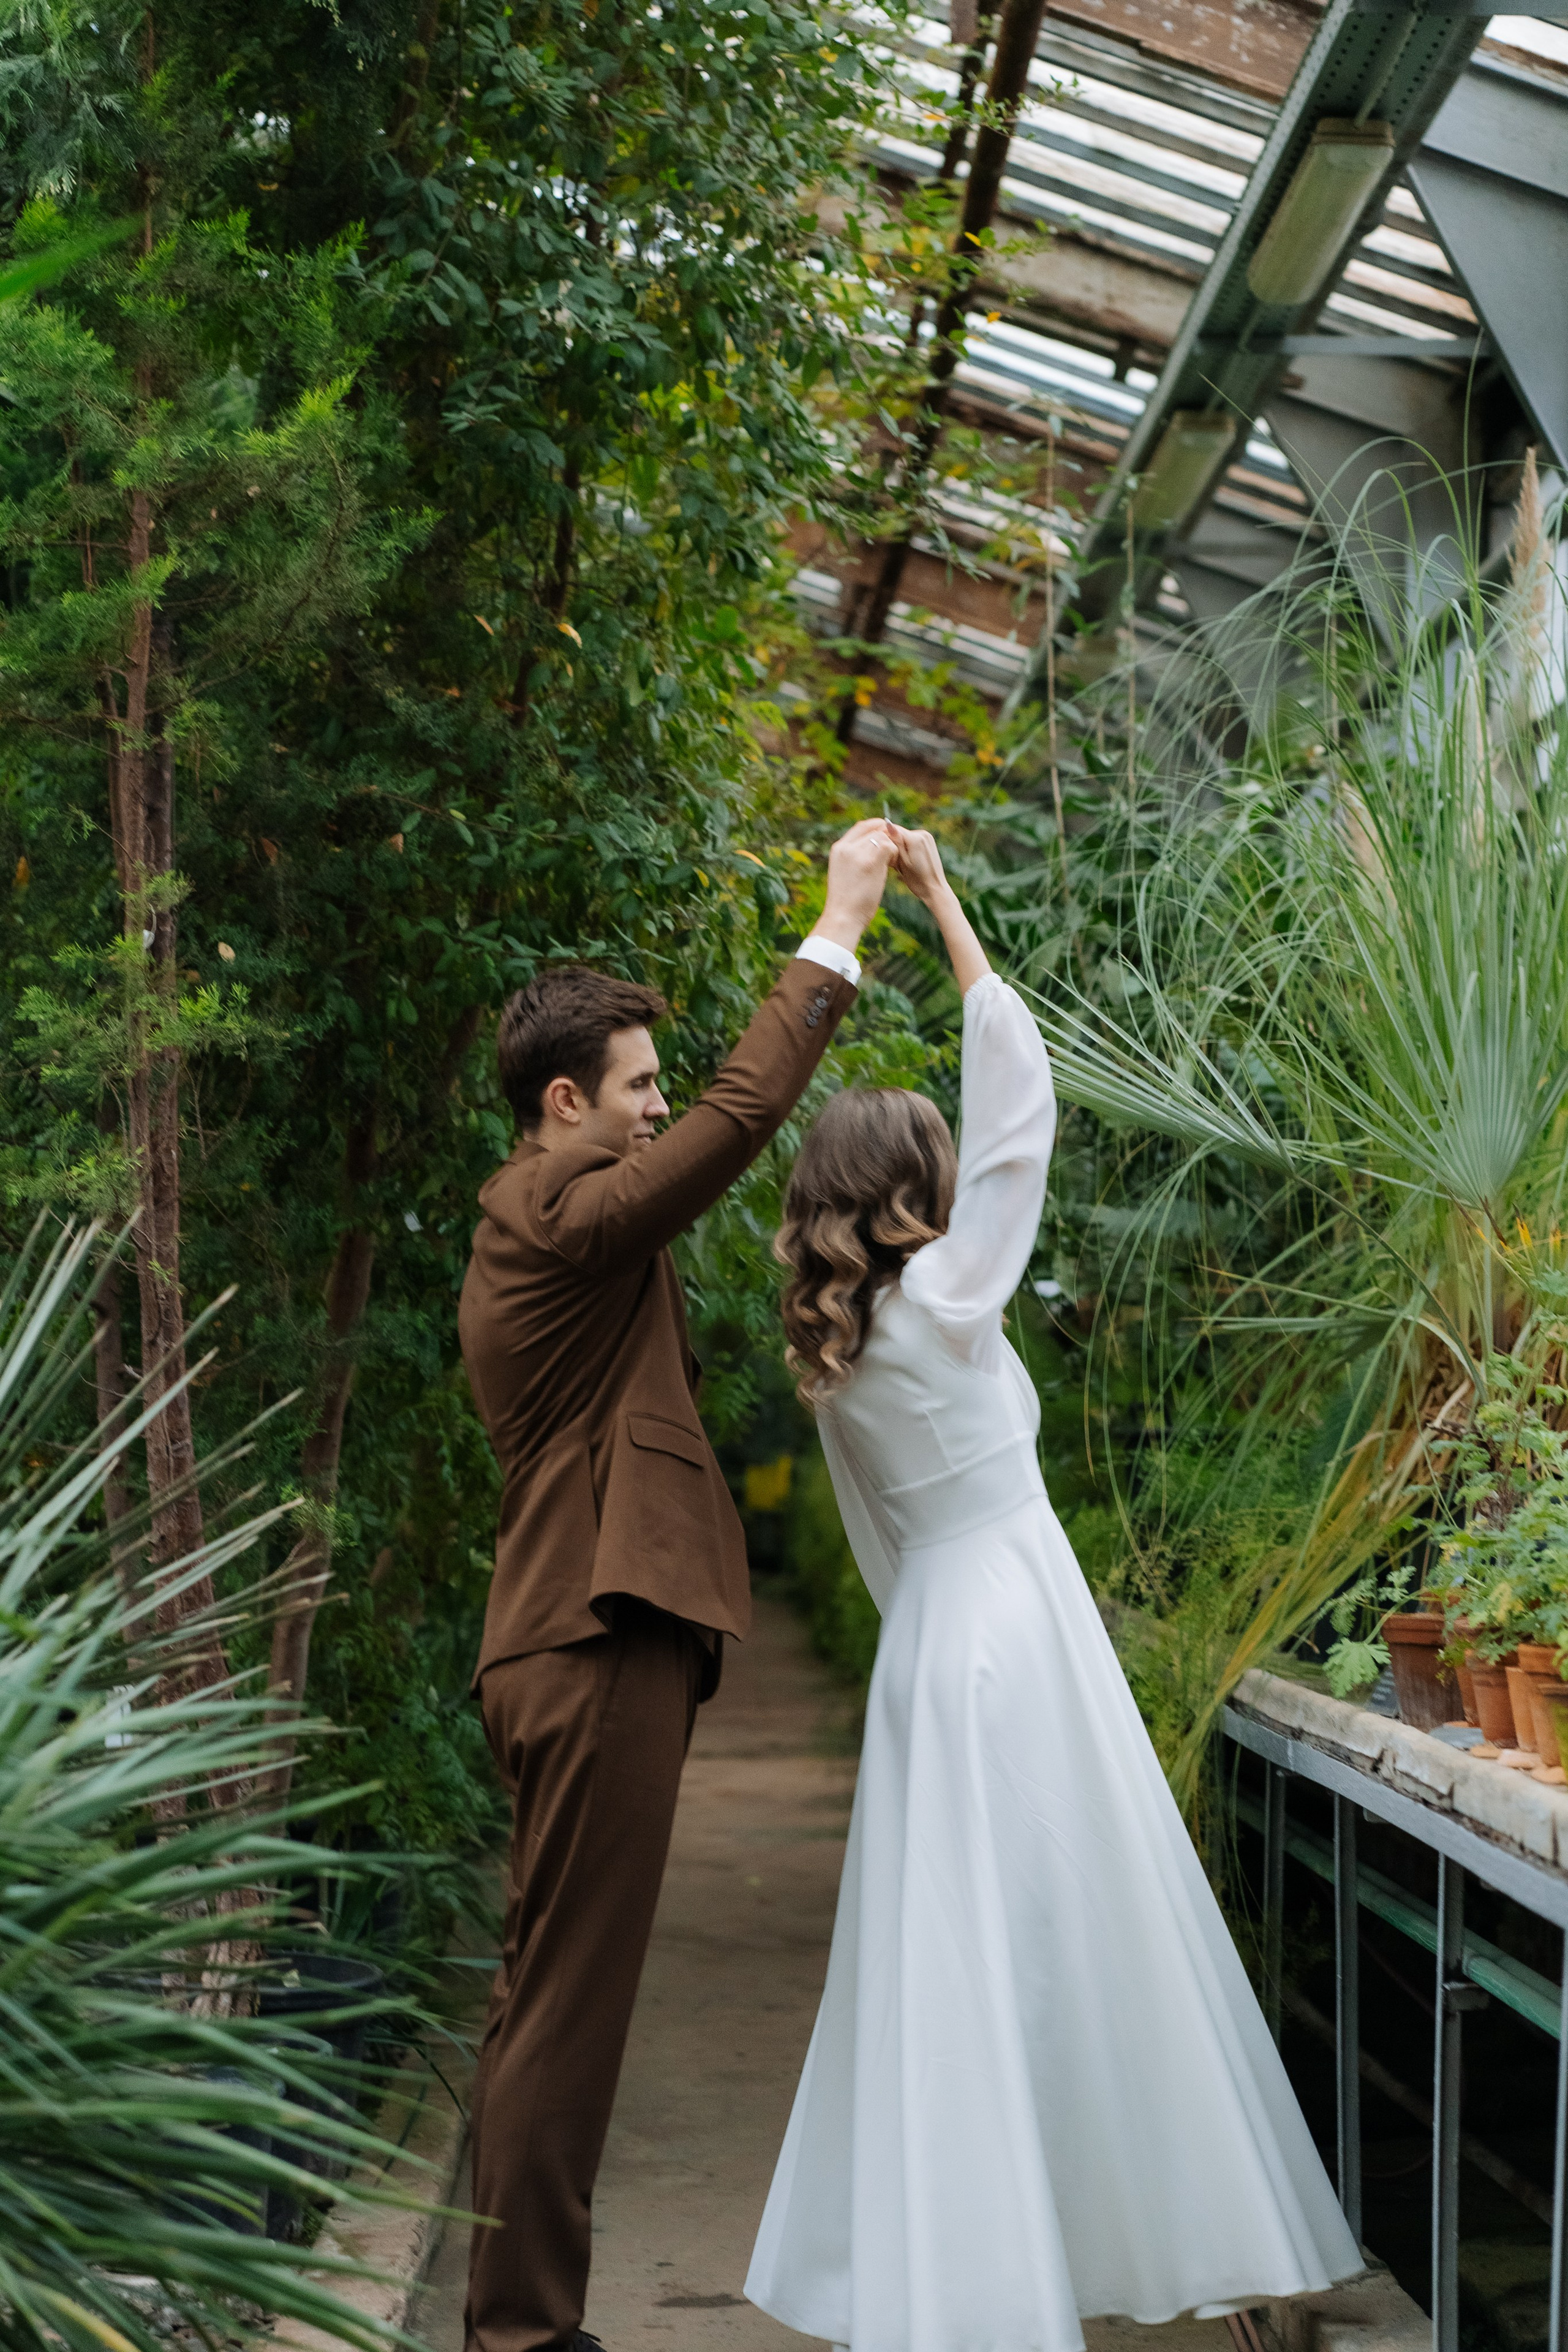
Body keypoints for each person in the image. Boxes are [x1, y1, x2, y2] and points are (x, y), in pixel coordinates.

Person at [747, 827, 1361, 2352]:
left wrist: (921, 1638)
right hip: (1015, 1633)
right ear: (913, 1189)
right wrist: (946, 906)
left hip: (932, 1645)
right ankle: (1097, 2243)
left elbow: (878, 1539)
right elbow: (1019, 1108)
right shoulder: (950, 1298)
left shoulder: (837, 1357)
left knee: (947, 1956)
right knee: (1073, 1930)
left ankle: (961, 2266)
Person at [456, 818, 897, 2352]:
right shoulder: (551, 1211)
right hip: (592, 1640)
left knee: (546, 1998)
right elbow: (739, 1117)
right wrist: (835, 932)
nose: (660, 1109)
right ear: (564, 1102)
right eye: (639, 1086)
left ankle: (518, 2322)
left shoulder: (542, 1230)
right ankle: (524, 2335)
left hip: (570, 1639)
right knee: (566, 2007)